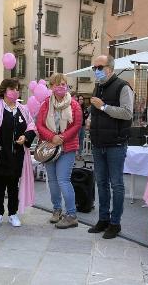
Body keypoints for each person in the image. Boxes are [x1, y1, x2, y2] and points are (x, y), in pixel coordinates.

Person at [0, 78, 36, 227]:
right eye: (12, 89)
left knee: (13, 186)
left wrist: (26, 137)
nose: (15, 92)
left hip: (18, 155)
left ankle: (13, 213)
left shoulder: (22, 109)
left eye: (17, 89)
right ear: (4, 91)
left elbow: (31, 127)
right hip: (0, 154)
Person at [88, 55, 134, 239]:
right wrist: (91, 120)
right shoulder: (98, 86)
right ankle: (103, 219)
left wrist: (104, 107)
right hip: (98, 143)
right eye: (94, 68)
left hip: (116, 143)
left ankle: (115, 223)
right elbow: (96, 111)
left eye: (99, 67)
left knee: (116, 184)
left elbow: (127, 113)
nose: (96, 70)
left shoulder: (123, 86)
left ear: (110, 67)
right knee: (101, 184)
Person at [36, 73, 82, 229]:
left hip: (67, 147)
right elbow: (40, 125)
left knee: (63, 180)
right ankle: (56, 210)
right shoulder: (45, 104)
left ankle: (71, 215)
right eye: (57, 84)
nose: (61, 87)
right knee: (53, 181)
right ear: (51, 87)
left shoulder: (74, 104)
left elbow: (77, 125)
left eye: (63, 84)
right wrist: (51, 137)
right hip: (49, 147)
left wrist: (61, 137)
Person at [77, 95, 89, 161]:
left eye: (82, 99)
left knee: (81, 141)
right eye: (79, 99)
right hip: (77, 127)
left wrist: (87, 124)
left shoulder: (84, 108)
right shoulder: (75, 107)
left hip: (83, 126)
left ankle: (79, 154)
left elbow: (86, 117)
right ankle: (76, 155)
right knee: (77, 141)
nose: (81, 100)